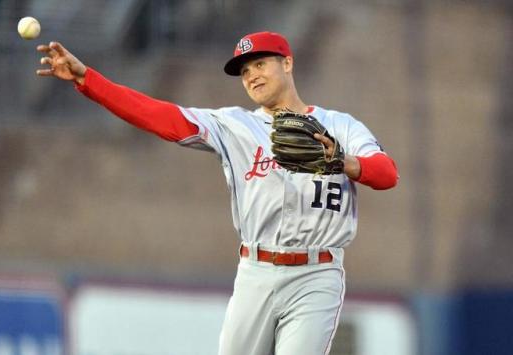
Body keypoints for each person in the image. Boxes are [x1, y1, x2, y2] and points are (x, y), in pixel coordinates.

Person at [36, 31, 398, 355]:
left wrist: (343, 161)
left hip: (317, 276)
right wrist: (88, 80)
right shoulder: (236, 125)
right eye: (244, 71)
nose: (252, 75)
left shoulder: (340, 126)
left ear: (287, 63)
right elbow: (162, 117)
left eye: (260, 63)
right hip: (256, 272)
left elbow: (387, 174)